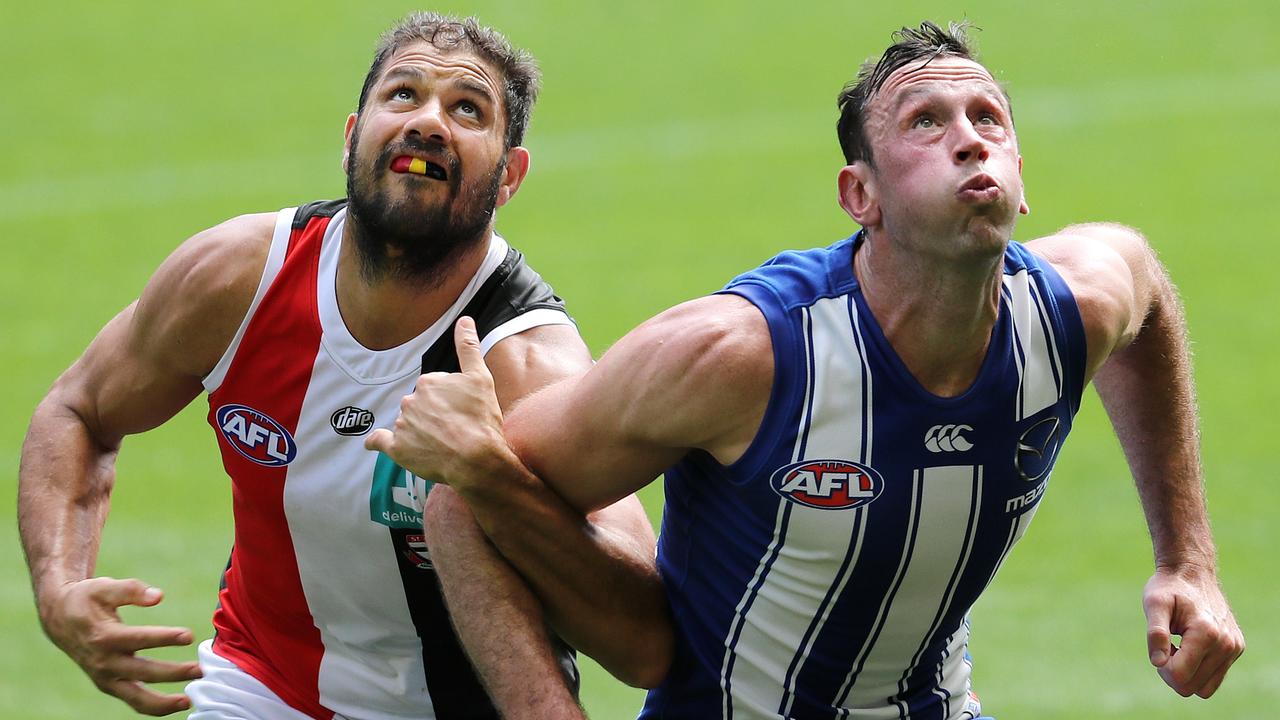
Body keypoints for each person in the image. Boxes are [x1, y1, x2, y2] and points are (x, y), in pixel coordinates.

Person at [368, 21, 1246, 719]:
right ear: (859, 197)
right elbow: (463, 501)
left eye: (988, 120)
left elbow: (1149, 293)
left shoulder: (1074, 309)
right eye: (926, 124)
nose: (970, 141)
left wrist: (1187, 560)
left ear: (1022, 183)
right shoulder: (737, 354)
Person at [18, 12, 669, 720]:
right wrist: (59, 587)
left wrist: (495, 478)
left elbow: (642, 643)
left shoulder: (527, 362)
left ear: (508, 177)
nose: (427, 122)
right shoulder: (238, 278)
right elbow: (79, 409)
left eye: (467, 109)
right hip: (262, 687)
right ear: (352, 136)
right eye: (403, 95)